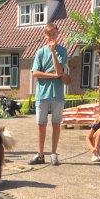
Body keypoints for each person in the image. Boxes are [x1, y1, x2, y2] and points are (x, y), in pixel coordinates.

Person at [29, 23, 68, 166]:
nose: (51, 37)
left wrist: (53, 53)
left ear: (57, 34)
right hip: (42, 94)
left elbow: (59, 71)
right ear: (45, 36)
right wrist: (52, 76)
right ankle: (40, 155)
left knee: (56, 124)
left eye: (54, 34)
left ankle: (53, 153)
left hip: (57, 94)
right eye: (49, 34)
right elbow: (35, 73)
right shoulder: (39, 52)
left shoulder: (62, 51)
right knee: (41, 125)